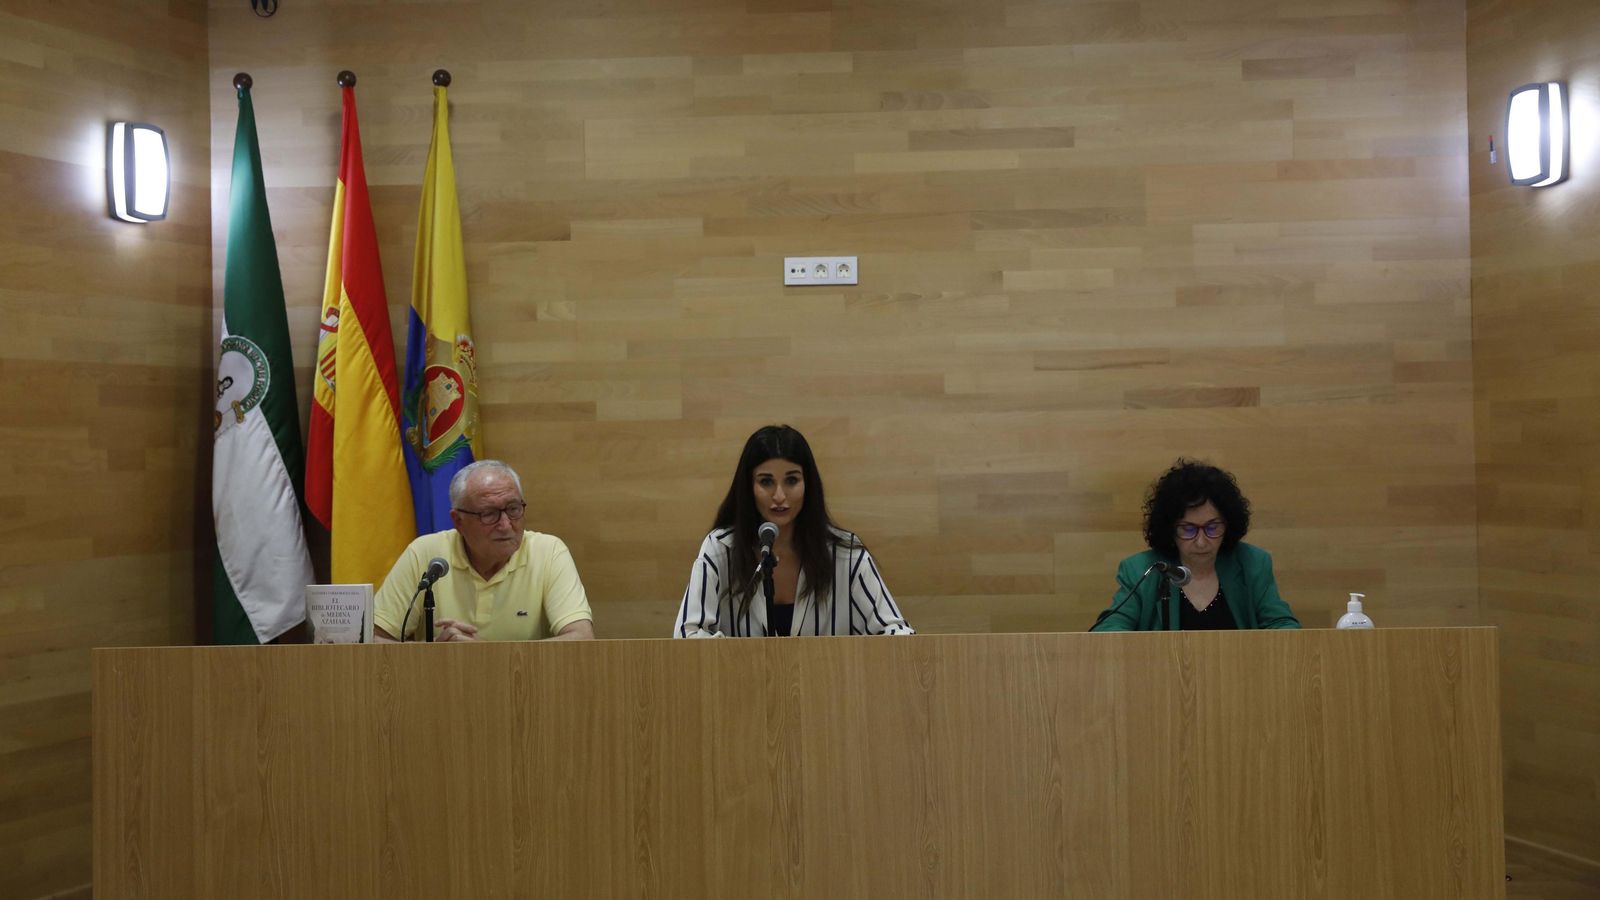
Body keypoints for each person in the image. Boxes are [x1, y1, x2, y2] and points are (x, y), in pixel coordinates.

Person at [673, 425, 913, 637]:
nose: (779, 496)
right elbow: (687, 636)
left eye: (791, 480)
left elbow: (897, 633)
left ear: (808, 484)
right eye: (766, 482)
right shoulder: (720, 549)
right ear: (748, 487)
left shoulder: (846, 554)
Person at [373, 460, 594, 642]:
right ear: (458, 521)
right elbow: (372, 638)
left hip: (523, 688)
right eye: (489, 514)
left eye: (513, 509)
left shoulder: (548, 552)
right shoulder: (426, 554)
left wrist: (485, 656)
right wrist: (431, 655)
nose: (506, 524)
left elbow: (582, 638)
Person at [1090, 459, 1299, 632]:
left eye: (1212, 527)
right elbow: (1110, 631)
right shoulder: (1141, 569)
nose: (1201, 541)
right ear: (1170, 528)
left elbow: (1282, 624)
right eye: (1188, 529)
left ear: (1228, 524)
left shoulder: (1252, 563)